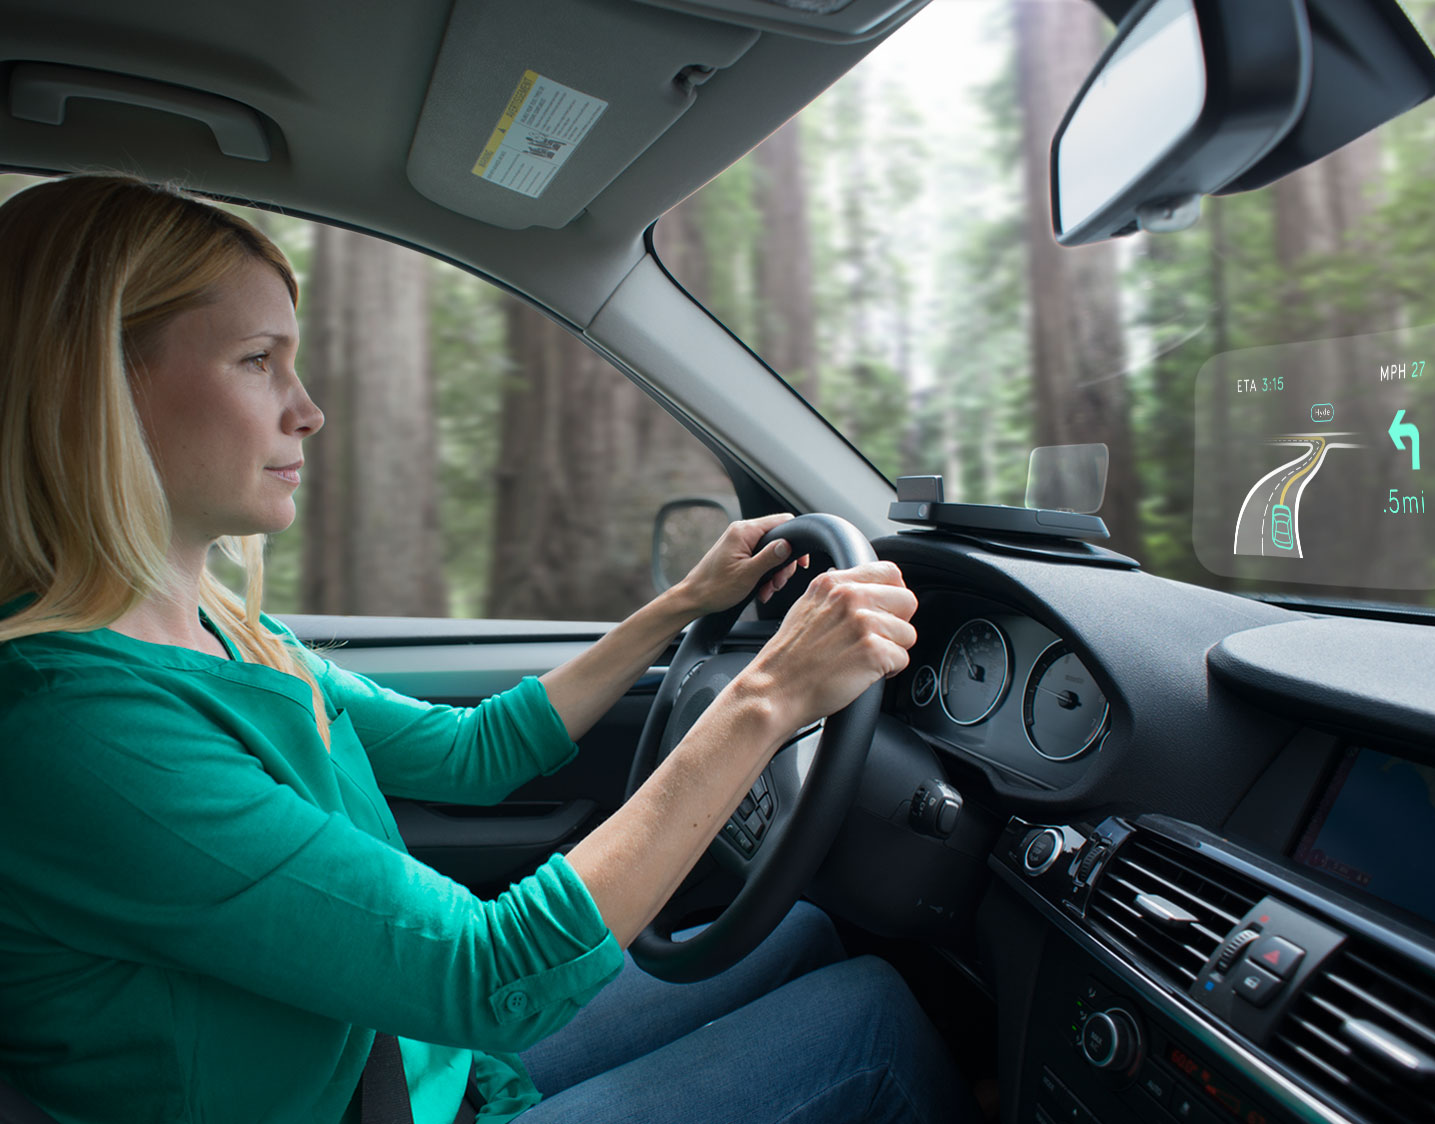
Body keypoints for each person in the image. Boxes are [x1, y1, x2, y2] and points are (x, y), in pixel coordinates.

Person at [0, 175, 982, 1124]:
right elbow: (487, 973)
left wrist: (684, 602)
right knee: (869, 1025)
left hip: (414, 1060)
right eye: (259, 359)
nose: (308, 409)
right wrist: (770, 693)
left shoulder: (228, 631)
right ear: (103, 387)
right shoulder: (79, 729)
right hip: (379, 1092)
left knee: (803, 931)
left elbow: (472, 751)